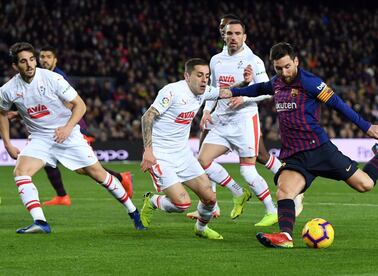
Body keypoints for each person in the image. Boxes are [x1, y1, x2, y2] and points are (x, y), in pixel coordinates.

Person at [220, 42, 378, 248]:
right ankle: (285, 236)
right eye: (278, 68)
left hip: (319, 149)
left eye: (287, 66)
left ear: (296, 61)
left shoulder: (311, 83)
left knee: (365, 185)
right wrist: (234, 92)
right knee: (284, 190)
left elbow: (338, 104)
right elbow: (261, 87)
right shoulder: (277, 82)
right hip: (294, 155)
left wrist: (366, 127)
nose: (283, 72)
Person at [0, 42, 144, 233]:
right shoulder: (8, 89)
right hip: (40, 138)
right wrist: (8, 143)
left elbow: (80, 105)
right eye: (23, 61)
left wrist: (67, 128)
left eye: (32, 60)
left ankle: (133, 211)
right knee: (20, 172)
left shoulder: (53, 78)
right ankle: (41, 223)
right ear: (15, 66)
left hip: (68, 135)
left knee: (98, 174)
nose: (30, 65)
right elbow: (2, 113)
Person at [186, 16, 304, 222]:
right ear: (223, 35)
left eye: (237, 33)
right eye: (229, 33)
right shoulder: (216, 60)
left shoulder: (253, 60)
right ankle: (237, 193)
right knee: (202, 161)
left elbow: (269, 91)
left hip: (243, 121)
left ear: (244, 36)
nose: (233, 37)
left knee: (249, 169)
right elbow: (214, 89)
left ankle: (272, 209)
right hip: (221, 121)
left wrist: (244, 96)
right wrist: (206, 110)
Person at [37, 46, 134, 205]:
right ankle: (62, 196)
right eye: (42, 56)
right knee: (48, 159)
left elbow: (70, 103)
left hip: (72, 127)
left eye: (48, 56)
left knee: (85, 168)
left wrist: (59, 123)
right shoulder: (42, 77)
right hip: (57, 126)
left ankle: (121, 178)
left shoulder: (58, 77)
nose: (45, 60)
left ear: (55, 60)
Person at [139, 58, 223, 239]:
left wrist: (246, 83)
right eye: (199, 75)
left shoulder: (205, 91)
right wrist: (148, 151)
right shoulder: (172, 91)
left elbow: (226, 92)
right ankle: (152, 201)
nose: (204, 80)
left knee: (210, 198)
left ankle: (200, 229)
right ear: (187, 76)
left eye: (207, 76)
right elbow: (147, 117)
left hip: (183, 154)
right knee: (182, 204)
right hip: (161, 156)